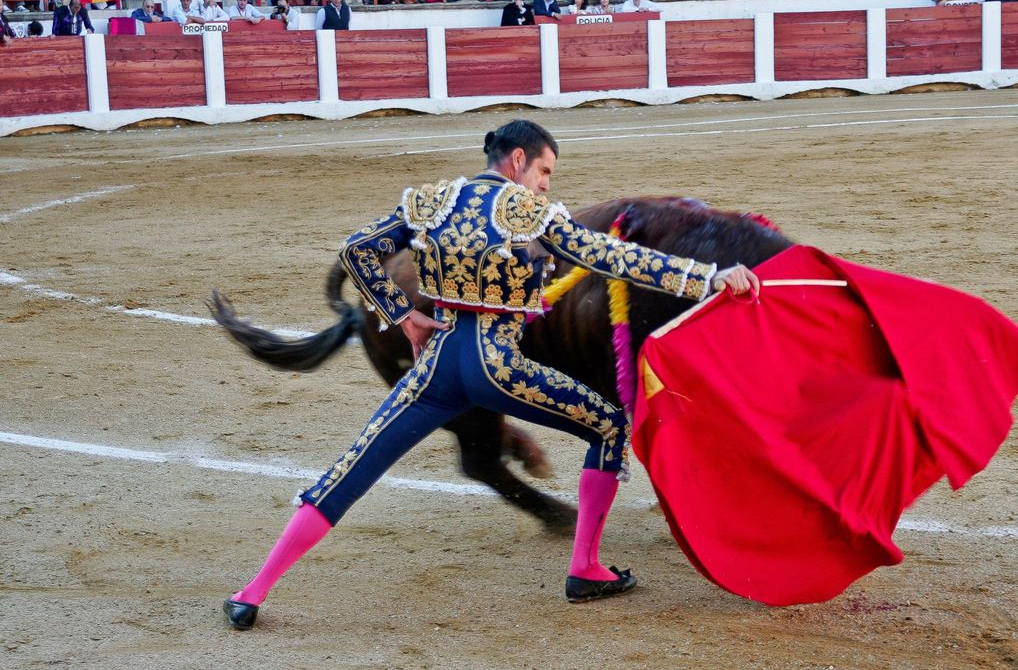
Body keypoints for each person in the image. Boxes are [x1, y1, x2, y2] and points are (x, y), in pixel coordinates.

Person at [222, 119, 759, 630]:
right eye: (545, 172)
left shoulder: (430, 202)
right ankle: (586, 568)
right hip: (497, 367)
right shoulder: (527, 213)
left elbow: (357, 252)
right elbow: (612, 257)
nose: (546, 185)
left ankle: (252, 592)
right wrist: (708, 277)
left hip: (433, 369)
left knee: (350, 472)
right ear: (518, 159)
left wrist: (404, 315)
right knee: (610, 425)